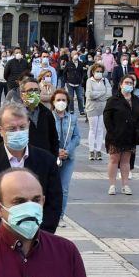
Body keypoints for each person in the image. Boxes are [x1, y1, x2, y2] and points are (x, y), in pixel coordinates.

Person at [0, 101, 63, 235]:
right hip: (1, 239)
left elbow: (54, 203)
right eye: (12, 129)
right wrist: (4, 236)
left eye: (22, 127)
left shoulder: (47, 161)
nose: (18, 132)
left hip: (38, 237)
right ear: (0, 130)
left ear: (28, 125)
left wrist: (38, 235)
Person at [103, 73, 139, 196]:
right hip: (115, 135)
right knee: (114, 159)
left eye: (131, 83)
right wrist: (112, 131)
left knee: (126, 160)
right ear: (121, 85)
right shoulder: (113, 100)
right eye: (126, 83)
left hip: (130, 135)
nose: (128, 85)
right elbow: (107, 117)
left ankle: (125, 185)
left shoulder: (136, 100)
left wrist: (138, 128)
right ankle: (112, 185)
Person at [49, 88, 80, 220]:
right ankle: (50, 214)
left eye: (63, 100)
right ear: (53, 102)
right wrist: (57, 150)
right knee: (50, 187)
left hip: (68, 157)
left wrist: (67, 150)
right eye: (58, 100)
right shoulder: (49, 117)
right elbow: (47, 137)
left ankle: (60, 216)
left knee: (64, 188)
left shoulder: (72, 118)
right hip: (52, 157)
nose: (61, 102)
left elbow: (77, 137)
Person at [85, 63, 112, 161]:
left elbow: (109, 94)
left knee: (100, 130)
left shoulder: (105, 81)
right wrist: (101, 94)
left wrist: (97, 95)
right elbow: (89, 95)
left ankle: (98, 150)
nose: (99, 73)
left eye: (101, 71)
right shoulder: (89, 81)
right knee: (93, 129)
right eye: (97, 71)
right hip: (92, 108)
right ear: (93, 72)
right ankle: (91, 150)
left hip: (103, 108)